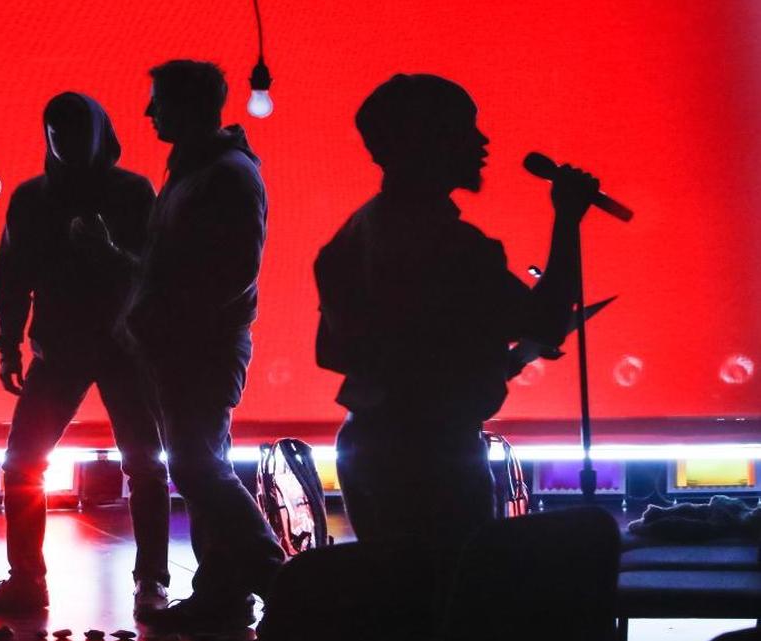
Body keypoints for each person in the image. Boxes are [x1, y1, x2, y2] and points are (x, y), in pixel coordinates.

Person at [313, 73, 597, 622]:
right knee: (455, 603)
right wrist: (566, 219)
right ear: (430, 141)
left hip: (368, 443)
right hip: (435, 453)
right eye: (466, 128)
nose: (482, 141)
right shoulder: (458, 247)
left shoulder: (351, 236)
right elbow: (547, 318)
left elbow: (333, 352)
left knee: (399, 606)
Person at [0, 93, 170, 616]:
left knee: (137, 462)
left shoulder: (123, 192)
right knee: (33, 461)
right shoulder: (49, 197)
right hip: (81, 345)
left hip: (113, 346)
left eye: (73, 133)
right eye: (57, 133)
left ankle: (143, 581)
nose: (65, 143)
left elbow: (157, 270)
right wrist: (7, 341)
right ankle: (128, 583)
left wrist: (10, 341)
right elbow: (11, 275)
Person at [124, 60, 286, 634]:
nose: (149, 112)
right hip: (188, 344)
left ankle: (278, 583)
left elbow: (226, 275)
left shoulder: (219, 176)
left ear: (190, 106)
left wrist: (160, 318)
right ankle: (224, 592)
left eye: (159, 101)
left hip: (198, 346)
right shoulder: (207, 171)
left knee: (199, 467)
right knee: (201, 465)